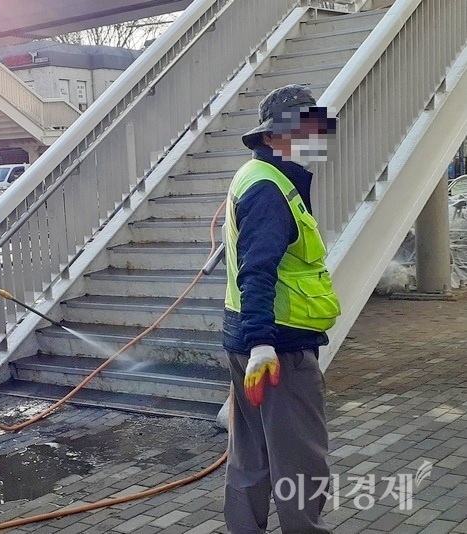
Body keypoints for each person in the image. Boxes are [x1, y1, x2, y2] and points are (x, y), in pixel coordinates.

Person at [223, 85, 341, 534]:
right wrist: (262, 343)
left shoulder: (257, 176)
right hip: (278, 347)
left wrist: (252, 341)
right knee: (301, 461)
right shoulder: (270, 189)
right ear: (272, 136)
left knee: (250, 455)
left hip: (250, 339)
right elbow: (258, 270)